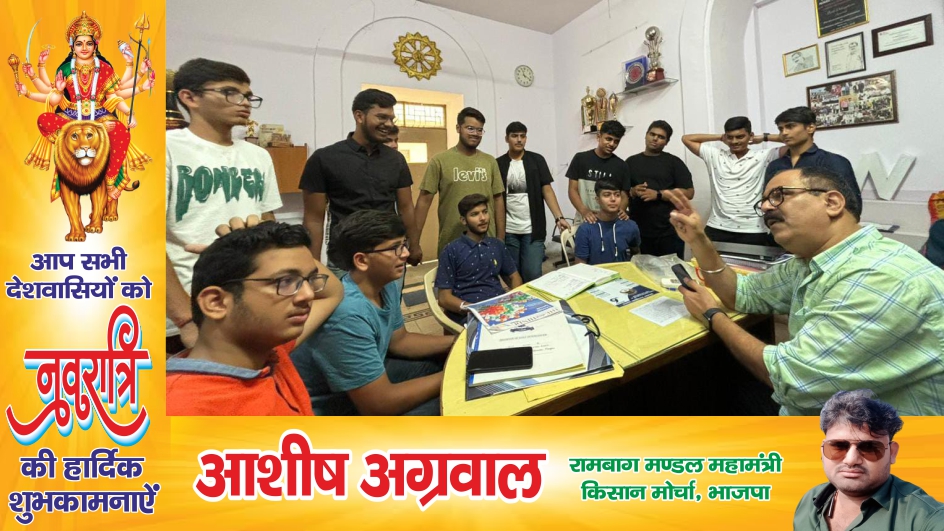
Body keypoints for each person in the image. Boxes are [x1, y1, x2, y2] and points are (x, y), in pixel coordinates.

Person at [663, 166, 944, 416]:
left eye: (778, 195)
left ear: (832, 202)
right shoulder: (810, 261)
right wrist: (698, 238)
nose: (765, 208)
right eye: (763, 202)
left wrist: (712, 315)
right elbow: (741, 293)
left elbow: (791, 380)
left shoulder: (879, 277)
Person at [166, 219, 343, 416]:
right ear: (216, 302)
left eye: (309, 280)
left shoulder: (266, 349)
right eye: (285, 281)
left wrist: (256, 243)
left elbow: (331, 292)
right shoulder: (182, 408)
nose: (308, 294)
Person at [166, 58, 283, 354]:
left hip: (248, 299)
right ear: (189, 97)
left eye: (248, 96)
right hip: (189, 303)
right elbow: (143, 242)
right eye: (231, 93)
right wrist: (185, 319)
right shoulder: (163, 149)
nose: (244, 103)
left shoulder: (258, 156)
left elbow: (267, 223)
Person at [291, 210, 454, 416]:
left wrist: (459, 342)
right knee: (449, 405)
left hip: (368, 386)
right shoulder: (347, 314)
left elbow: (399, 341)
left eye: (404, 244)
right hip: (334, 408)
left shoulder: (387, 282)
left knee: (438, 367)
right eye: (395, 248)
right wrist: (455, 376)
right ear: (361, 260)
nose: (405, 253)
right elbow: (379, 405)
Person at [15, 11, 154, 220]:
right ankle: (67, 144)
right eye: (79, 44)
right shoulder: (65, 69)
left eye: (88, 43)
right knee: (44, 120)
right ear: (72, 45)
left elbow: (113, 96)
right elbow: (54, 99)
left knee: (121, 133)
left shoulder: (104, 68)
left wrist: (129, 113)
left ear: (95, 44)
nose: (84, 48)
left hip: (100, 115)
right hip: (71, 117)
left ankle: (110, 181)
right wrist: (57, 89)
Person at [300, 89, 420, 276]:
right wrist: (312, 265)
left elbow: (406, 207)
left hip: (390, 255)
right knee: (345, 297)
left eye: (391, 119)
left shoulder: (396, 159)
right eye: (382, 117)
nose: (389, 124)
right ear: (359, 116)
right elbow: (314, 219)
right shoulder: (324, 158)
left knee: (390, 298)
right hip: (345, 260)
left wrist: (414, 245)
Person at [794, 390, 944, 530]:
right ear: (822, 450)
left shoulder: (927, 519)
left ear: (892, 453)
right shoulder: (808, 503)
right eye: (838, 446)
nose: (851, 460)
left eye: (869, 447)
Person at [414, 107, 505, 256]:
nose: (475, 133)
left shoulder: (490, 162)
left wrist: (500, 239)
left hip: (486, 242)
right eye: (470, 128)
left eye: (479, 130)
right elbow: (424, 201)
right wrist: (414, 242)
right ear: (458, 128)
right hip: (451, 242)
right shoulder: (440, 161)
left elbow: (498, 200)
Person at [681, 117, 786, 245]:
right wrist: (720, 137)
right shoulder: (714, 155)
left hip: (753, 229)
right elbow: (686, 138)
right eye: (730, 137)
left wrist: (764, 137)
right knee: (707, 258)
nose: (734, 141)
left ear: (750, 136)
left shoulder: (764, 156)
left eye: (740, 137)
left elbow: (793, 142)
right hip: (718, 226)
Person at [496, 121, 570, 281]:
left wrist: (559, 217)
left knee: (532, 273)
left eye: (522, 136)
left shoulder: (536, 160)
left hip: (533, 230)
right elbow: (495, 198)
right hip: (509, 230)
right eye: (514, 136)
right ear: (506, 138)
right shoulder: (498, 164)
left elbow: (547, 190)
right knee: (511, 274)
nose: (519, 140)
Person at [435, 194, 523, 324]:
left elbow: (514, 277)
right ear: (463, 220)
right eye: (475, 214)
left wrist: (514, 300)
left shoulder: (497, 245)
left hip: (500, 309)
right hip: (468, 314)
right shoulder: (451, 250)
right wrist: (471, 308)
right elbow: (443, 298)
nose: (482, 218)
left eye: (485, 212)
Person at [764, 106, 861, 209]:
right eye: (781, 129)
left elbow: (852, 205)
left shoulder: (833, 161)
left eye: (790, 126)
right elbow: (768, 199)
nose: (784, 132)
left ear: (810, 128)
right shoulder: (775, 165)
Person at [628, 120, 694, 258]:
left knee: (672, 270)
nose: (655, 138)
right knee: (641, 270)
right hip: (638, 231)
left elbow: (689, 192)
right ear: (646, 135)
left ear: (666, 142)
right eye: (652, 134)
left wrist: (659, 194)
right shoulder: (631, 162)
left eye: (661, 137)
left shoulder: (674, 162)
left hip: (669, 231)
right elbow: (621, 192)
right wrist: (633, 191)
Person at [566, 120, 631, 224]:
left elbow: (624, 196)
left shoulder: (622, 166)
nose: (612, 144)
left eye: (616, 141)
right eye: (608, 139)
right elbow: (572, 190)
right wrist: (584, 211)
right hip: (584, 221)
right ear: (598, 136)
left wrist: (621, 211)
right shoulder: (580, 159)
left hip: (610, 223)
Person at [574, 178, 641, 265]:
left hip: (622, 272)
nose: (613, 199)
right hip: (594, 273)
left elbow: (636, 254)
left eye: (617, 195)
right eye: (607, 195)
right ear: (597, 200)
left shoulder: (630, 226)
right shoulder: (585, 230)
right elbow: (580, 265)